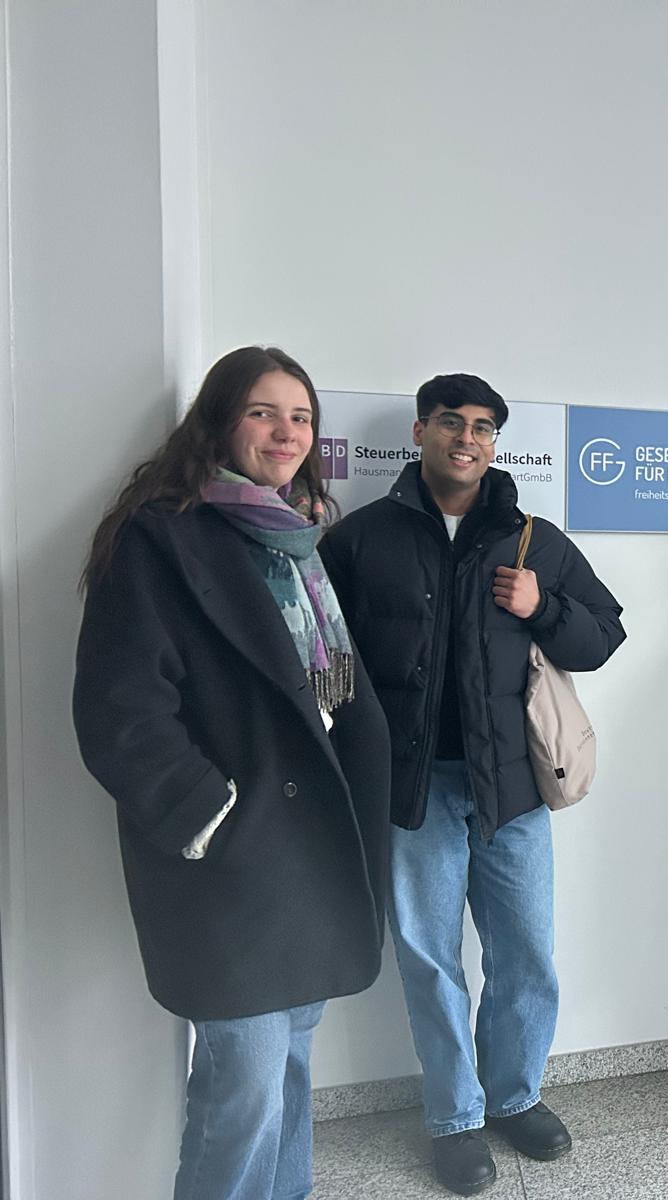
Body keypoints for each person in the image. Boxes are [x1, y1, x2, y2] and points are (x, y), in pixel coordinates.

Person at [72, 346, 391, 1200]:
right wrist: (215, 815)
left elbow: (333, 692)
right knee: (244, 1087)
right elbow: (119, 709)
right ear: (219, 421)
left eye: (301, 417)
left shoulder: (301, 538)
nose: (287, 432)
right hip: (237, 856)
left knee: (288, 1066)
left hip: (315, 848)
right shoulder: (160, 537)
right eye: (263, 412)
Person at [319, 373, 624, 1195]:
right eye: (452, 422)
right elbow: (325, 657)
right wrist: (347, 757)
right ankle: (454, 1117)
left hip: (511, 792)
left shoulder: (533, 541)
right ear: (420, 431)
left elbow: (603, 636)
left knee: (524, 955)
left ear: (495, 444)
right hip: (412, 792)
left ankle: (514, 1096)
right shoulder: (362, 539)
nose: (468, 438)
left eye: (484, 427)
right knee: (429, 961)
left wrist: (541, 606)